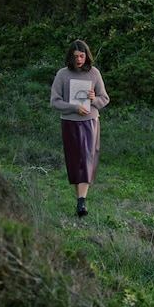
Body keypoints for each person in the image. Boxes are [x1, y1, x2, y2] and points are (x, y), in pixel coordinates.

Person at [50, 40, 110, 217]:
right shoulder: (62, 74)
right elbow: (55, 102)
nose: (79, 60)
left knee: (87, 159)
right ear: (70, 57)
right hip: (69, 122)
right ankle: (79, 200)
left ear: (87, 56)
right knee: (74, 161)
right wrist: (74, 108)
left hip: (90, 122)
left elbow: (104, 98)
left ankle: (82, 201)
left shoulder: (94, 73)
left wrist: (93, 100)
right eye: (75, 56)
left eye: (82, 56)